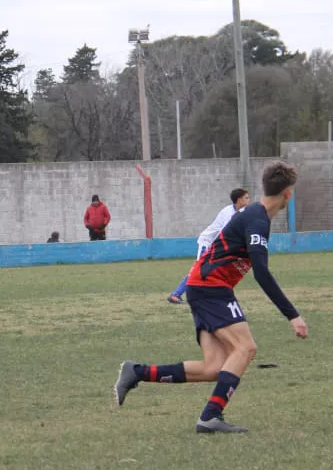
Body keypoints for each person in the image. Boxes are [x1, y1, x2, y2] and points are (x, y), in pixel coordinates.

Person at [113, 161, 307, 434]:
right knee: (245, 348)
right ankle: (210, 416)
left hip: (203, 286)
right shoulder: (257, 218)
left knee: (214, 367)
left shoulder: (257, 217)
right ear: (288, 193)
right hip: (210, 287)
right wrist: (292, 315)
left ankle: (136, 372)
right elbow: (261, 272)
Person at [167, 187, 250, 304]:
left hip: (216, 246)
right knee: (199, 270)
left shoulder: (238, 213)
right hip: (207, 243)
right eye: (246, 198)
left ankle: (209, 296)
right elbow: (226, 233)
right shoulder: (229, 213)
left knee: (212, 272)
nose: (249, 200)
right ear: (239, 200)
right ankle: (175, 294)